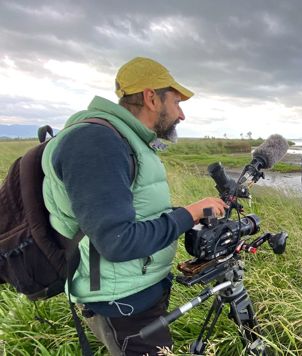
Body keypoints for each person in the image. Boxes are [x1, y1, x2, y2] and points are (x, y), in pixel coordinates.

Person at [41, 57, 228, 355]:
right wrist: (189, 213)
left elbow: (132, 212)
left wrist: (186, 212)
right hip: (120, 302)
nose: (182, 115)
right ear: (151, 97)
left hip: (135, 289)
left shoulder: (126, 139)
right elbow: (117, 241)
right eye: (177, 102)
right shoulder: (96, 141)